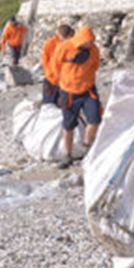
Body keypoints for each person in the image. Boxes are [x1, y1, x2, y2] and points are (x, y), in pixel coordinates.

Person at [52, 24, 103, 169]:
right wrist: (62, 82)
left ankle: (87, 146)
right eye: (87, 42)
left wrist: (85, 77)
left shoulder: (93, 50)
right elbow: (56, 65)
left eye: (91, 41)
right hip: (68, 91)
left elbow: (96, 66)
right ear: (80, 39)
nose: (89, 44)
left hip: (88, 90)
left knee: (95, 119)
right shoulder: (65, 47)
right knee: (68, 125)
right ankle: (67, 155)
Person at [39, 23, 72, 107]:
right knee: (48, 105)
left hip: (64, 81)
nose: (65, 39)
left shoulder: (70, 44)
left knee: (63, 106)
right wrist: (49, 73)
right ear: (59, 34)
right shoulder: (49, 43)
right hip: (51, 80)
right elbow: (45, 60)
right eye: (63, 37)